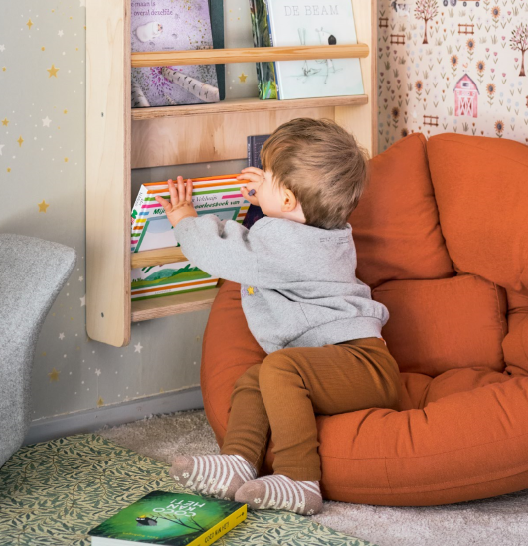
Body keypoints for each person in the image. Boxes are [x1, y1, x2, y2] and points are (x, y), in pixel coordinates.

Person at [156, 118, 400, 516]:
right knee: (257, 377)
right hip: (349, 365)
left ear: (287, 201)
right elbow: (285, 231)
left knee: (279, 367)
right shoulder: (327, 230)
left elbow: (225, 254)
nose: (259, 178)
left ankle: (300, 478)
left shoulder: (286, 242)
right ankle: (238, 461)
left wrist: (185, 218)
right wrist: (265, 194)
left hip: (363, 367)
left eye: (266, 175)